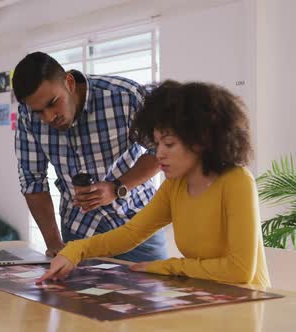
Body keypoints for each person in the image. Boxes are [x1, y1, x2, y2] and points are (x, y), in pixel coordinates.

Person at [36, 80, 271, 287]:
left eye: (168, 144)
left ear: (201, 141)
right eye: (157, 144)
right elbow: (130, 234)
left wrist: (167, 267)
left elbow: (239, 272)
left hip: (247, 304)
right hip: (205, 297)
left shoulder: (237, 181)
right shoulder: (174, 186)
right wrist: (75, 250)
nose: (158, 154)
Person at [12, 52, 168, 262]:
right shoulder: (27, 116)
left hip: (137, 227)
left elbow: (161, 151)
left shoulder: (125, 96)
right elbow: (32, 181)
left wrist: (117, 187)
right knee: (77, 296)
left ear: (69, 82)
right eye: (39, 111)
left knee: (152, 294)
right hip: (77, 232)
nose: (48, 118)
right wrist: (54, 244)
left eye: (52, 103)